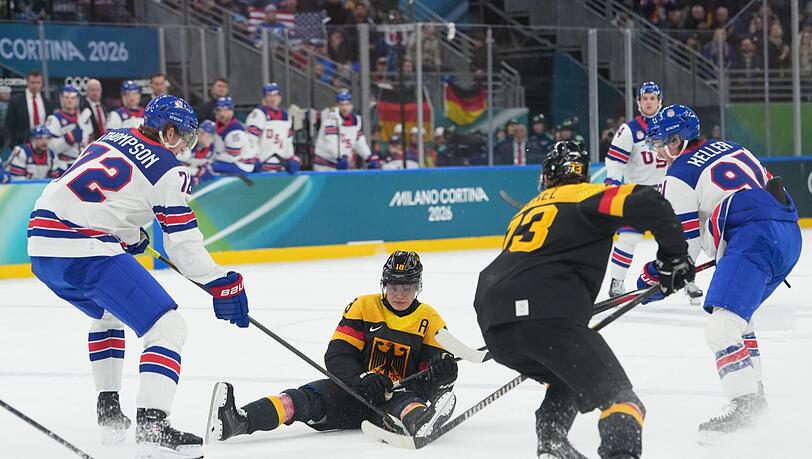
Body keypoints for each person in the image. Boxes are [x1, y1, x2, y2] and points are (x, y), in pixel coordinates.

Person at [27, 94, 250, 457]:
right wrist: (221, 282)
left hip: (40, 246)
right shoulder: (169, 171)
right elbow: (183, 247)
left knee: (107, 314)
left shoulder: (113, 136)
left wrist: (129, 234)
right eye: (185, 137)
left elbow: (93, 196)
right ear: (169, 132)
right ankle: (153, 427)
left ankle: (109, 409)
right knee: (168, 328)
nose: (186, 147)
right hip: (84, 247)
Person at [473, 141, 693, 459]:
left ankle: (552, 444)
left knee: (567, 378)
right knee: (622, 401)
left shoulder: (524, 212)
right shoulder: (585, 195)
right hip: (547, 317)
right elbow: (649, 202)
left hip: (495, 323)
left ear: (547, 176)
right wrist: (675, 258)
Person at [641, 105, 801, 442]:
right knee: (740, 320)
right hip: (788, 233)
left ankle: (745, 406)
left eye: (662, 144)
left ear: (678, 140)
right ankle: (755, 394)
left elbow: (684, 252)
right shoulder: (731, 146)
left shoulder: (679, 175)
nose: (659, 152)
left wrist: (654, 276)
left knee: (721, 328)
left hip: (753, 238)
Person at [206, 251, 458, 442]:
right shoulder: (364, 307)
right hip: (353, 393)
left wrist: (443, 375)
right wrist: (362, 378)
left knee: (409, 405)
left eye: (407, 288)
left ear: (418, 287)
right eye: (393, 287)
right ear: (384, 284)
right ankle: (238, 421)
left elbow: (430, 383)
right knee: (299, 400)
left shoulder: (430, 320)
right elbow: (338, 355)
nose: (399, 294)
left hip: (398, 395)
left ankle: (419, 423)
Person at [605, 82, 669, 298]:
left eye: (653, 98)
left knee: (683, 236)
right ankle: (617, 282)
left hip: (668, 190)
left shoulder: (672, 126)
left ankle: (686, 279)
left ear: (659, 102)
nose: (649, 102)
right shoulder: (629, 130)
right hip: (638, 192)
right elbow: (615, 160)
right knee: (628, 237)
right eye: (645, 99)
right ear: (639, 102)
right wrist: (613, 182)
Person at [313, 90, 376, 171]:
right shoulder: (331, 119)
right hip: (324, 165)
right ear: (337, 105)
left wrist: (369, 157)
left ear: (351, 105)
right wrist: (340, 157)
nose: (344, 108)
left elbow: (359, 141)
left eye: (347, 104)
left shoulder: (355, 120)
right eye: (342, 104)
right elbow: (331, 142)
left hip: (342, 163)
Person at [246, 83, 300, 174]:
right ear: (264, 98)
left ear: (280, 97)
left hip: (281, 166)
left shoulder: (286, 116)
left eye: (275, 95)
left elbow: (288, 141)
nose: (273, 99)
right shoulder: (258, 114)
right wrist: (253, 157)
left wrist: (290, 157)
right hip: (262, 165)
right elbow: (251, 140)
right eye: (269, 95)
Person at [5, 69, 56, 147]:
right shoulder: (16, 102)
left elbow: (51, 125)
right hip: (22, 145)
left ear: (42, 83)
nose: (35, 85)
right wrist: (14, 145)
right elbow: (9, 126)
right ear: (27, 82)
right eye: (32, 82)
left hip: (44, 145)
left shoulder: (48, 103)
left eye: (38, 83)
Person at [45, 85, 92, 168]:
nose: (70, 100)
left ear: (77, 100)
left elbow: (90, 139)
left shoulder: (84, 118)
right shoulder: (54, 119)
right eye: (66, 97)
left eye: (73, 98)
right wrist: (68, 139)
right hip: (64, 165)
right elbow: (50, 147)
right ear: (61, 98)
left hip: (83, 163)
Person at [212, 96, 255, 174]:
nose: (222, 113)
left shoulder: (235, 130)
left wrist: (214, 157)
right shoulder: (218, 126)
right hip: (230, 161)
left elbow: (233, 157)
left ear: (231, 111)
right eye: (219, 110)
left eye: (225, 110)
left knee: (210, 168)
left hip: (243, 165)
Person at [178, 119, 216, 187]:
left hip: (193, 172)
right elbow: (175, 166)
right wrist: (195, 172)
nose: (209, 139)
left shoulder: (212, 149)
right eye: (200, 132)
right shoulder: (186, 145)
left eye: (210, 136)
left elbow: (207, 168)